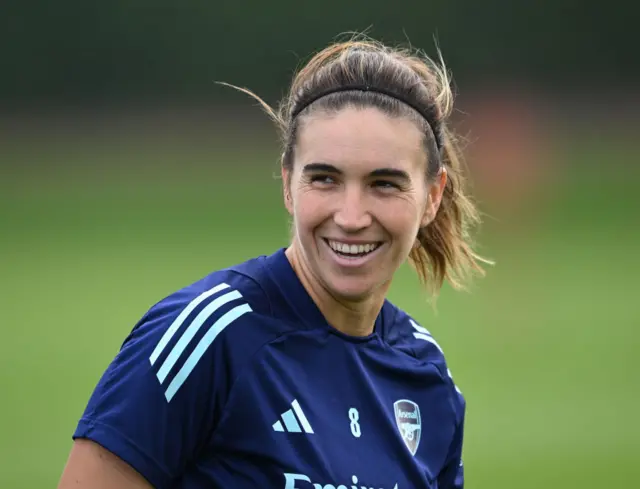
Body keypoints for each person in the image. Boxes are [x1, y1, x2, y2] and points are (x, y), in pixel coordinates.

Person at [57, 36, 490, 489]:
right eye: (324, 179)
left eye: (384, 184)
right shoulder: (211, 336)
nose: (350, 216)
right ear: (287, 184)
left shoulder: (425, 375)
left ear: (432, 197)